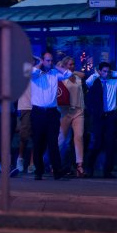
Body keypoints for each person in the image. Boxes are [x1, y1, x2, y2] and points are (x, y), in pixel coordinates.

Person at [83, 62, 117, 179]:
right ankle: (89, 169)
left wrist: (112, 73)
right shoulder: (95, 82)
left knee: (110, 144)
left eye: (107, 71)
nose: (106, 73)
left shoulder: (114, 82)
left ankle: (107, 171)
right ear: (99, 71)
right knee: (97, 143)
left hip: (110, 116)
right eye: (104, 71)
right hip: (99, 116)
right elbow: (87, 82)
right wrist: (97, 74)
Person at [29, 52, 72, 180]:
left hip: (52, 112)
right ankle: (39, 171)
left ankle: (57, 171)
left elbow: (68, 74)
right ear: (42, 60)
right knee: (38, 143)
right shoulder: (35, 73)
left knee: (53, 142)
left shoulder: (54, 73)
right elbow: (31, 72)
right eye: (47, 60)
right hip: (38, 112)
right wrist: (41, 63)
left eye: (51, 60)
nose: (49, 62)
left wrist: (54, 66)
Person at [57, 56, 86, 177]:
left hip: (79, 111)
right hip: (66, 111)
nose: (72, 66)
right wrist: (64, 71)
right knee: (62, 140)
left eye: (73, 64)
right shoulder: (62, 78)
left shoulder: (77, 77)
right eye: (70, 64)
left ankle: (79, 165)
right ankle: (55, 163)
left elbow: (84, 74)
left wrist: (70, 71)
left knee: (78, 137)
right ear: (64, 66)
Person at [15, 84, 34, 174]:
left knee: (36, 135)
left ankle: (32, 162)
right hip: (25, 105)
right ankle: (20, 158)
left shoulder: (43, 71)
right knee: (24, 135)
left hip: (39, 105)